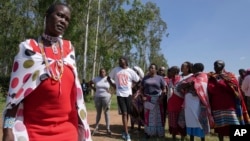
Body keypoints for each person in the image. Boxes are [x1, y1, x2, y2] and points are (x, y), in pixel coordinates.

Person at [2, 3, 92, 141]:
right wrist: (7, 131)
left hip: (69, 132)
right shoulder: (28, 49)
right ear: (47, 16)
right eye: (60, 15)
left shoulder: (69, 49)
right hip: (36, 133)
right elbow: (14, 99)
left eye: (67, 19)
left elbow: (76, 97)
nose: (63, 21)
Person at [207, 60, 250, 141]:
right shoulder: (212, 77)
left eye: (217, 65)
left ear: (223, 66)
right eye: (214, 65)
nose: (215, 67)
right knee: (220, 127)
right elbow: (210, 89)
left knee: (233, 124)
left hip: (229, 105)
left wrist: (220, 83)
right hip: (217, 105)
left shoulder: (230, 76)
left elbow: (235, 89)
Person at [177, 63, 214, 141]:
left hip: (198, 103)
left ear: (197, 68)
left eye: (193, 68)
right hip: (189, 103)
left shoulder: (203, 76)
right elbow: (180, 86)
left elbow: (197, 85)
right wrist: (189, 84)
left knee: (199, 121)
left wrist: (190, 85)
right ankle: (191, 139)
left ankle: (202, 139)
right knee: (190, 120)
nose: (191, 69)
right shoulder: (192, 77)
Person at [107, 56, 140, 141]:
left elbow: (138, 80)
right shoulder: (116, 70)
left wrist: (132, 86)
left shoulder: (130, 71)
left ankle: (125, 130)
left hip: (128, 95)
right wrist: (114, 85)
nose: (120, 61)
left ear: (125, 61)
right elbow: (108, 78)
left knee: (127, 113)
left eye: (121, 60)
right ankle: (127, 134)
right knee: (124, 113)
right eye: (119, 60)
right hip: (120, 95)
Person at [141, 63, 167, 138]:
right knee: (148, 116)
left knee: (158, 116)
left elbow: (164, 89)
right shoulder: (145, 78)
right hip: (148, 99)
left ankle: (159, 133)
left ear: (156, 70)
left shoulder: (160, 78)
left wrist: (161, 98)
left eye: (153, 68)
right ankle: (148, 133)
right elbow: (141, 89)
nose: (152, 69)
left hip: (158, 99)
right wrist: (143, 96)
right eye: (150, 68)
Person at [89, 68, 112, 136]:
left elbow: (114, 84)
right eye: (101, 72)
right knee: (98, 113)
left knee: (106, 112)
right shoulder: (96, 78)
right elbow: (89, 83)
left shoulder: (108, 79)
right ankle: (96, 128)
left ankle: (108, 128)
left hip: (106, 97)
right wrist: (94, 89)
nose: (102, 73)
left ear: (105, 73)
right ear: (99, 73)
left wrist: (111, 91)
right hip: (98, 97)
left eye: (104, 72)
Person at [167, 65, 186, 141]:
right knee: (173, 123)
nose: (169, 72)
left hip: (180, 105)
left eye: (171, 71)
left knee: (181, 122)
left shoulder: (182, 80)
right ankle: (173, 138)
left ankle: (182, 138)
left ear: (175, 72)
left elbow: (184, 92)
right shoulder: (170, 81)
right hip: (171, 105)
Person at [130, 66, 145, 132]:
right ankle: (132, 126)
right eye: (133, 70)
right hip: (132, 97)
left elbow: (141, 89)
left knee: (139, 112)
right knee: (132, 112)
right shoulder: (131, 80)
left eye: (135, 70)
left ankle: (139, 127)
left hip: (139, 98)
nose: (134, 71)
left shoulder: (141, 80)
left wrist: (136, 95)